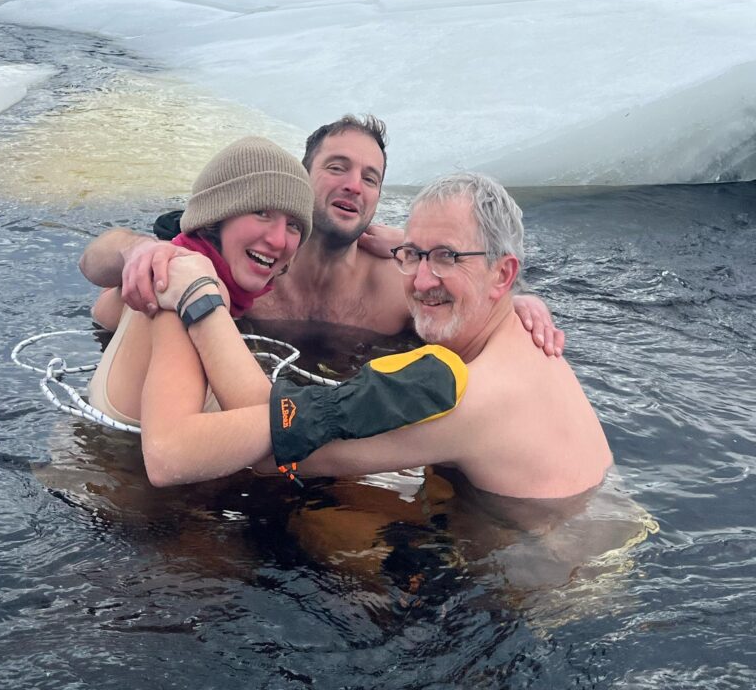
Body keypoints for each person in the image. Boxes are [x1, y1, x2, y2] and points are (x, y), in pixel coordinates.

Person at [144, 173, 612, 499]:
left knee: (324, 523)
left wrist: (199, 297)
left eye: (447, 256)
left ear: (503, 274)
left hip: (540, 600)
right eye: (414, 255)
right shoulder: (517, 338)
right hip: (593, 538)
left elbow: (269, 446)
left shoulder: (470, 398)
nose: (422, 279)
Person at [79, 115, 565, 354]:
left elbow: (461, 292)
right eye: (337, 167)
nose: (354, 184)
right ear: (301, 177)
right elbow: (98, 270)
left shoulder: (394, 284)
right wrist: (140, 252)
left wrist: (511, 303)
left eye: (370, 178)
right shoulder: (243, 261)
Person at [87, 136, 314, 426]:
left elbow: (98, 296)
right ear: (218, 214)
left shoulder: (157, 268)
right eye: (261, 212)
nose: (278, 240)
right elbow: (272, 429)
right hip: (110, 466)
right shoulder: (191, 283)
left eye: (293, 225)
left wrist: (134, 250)